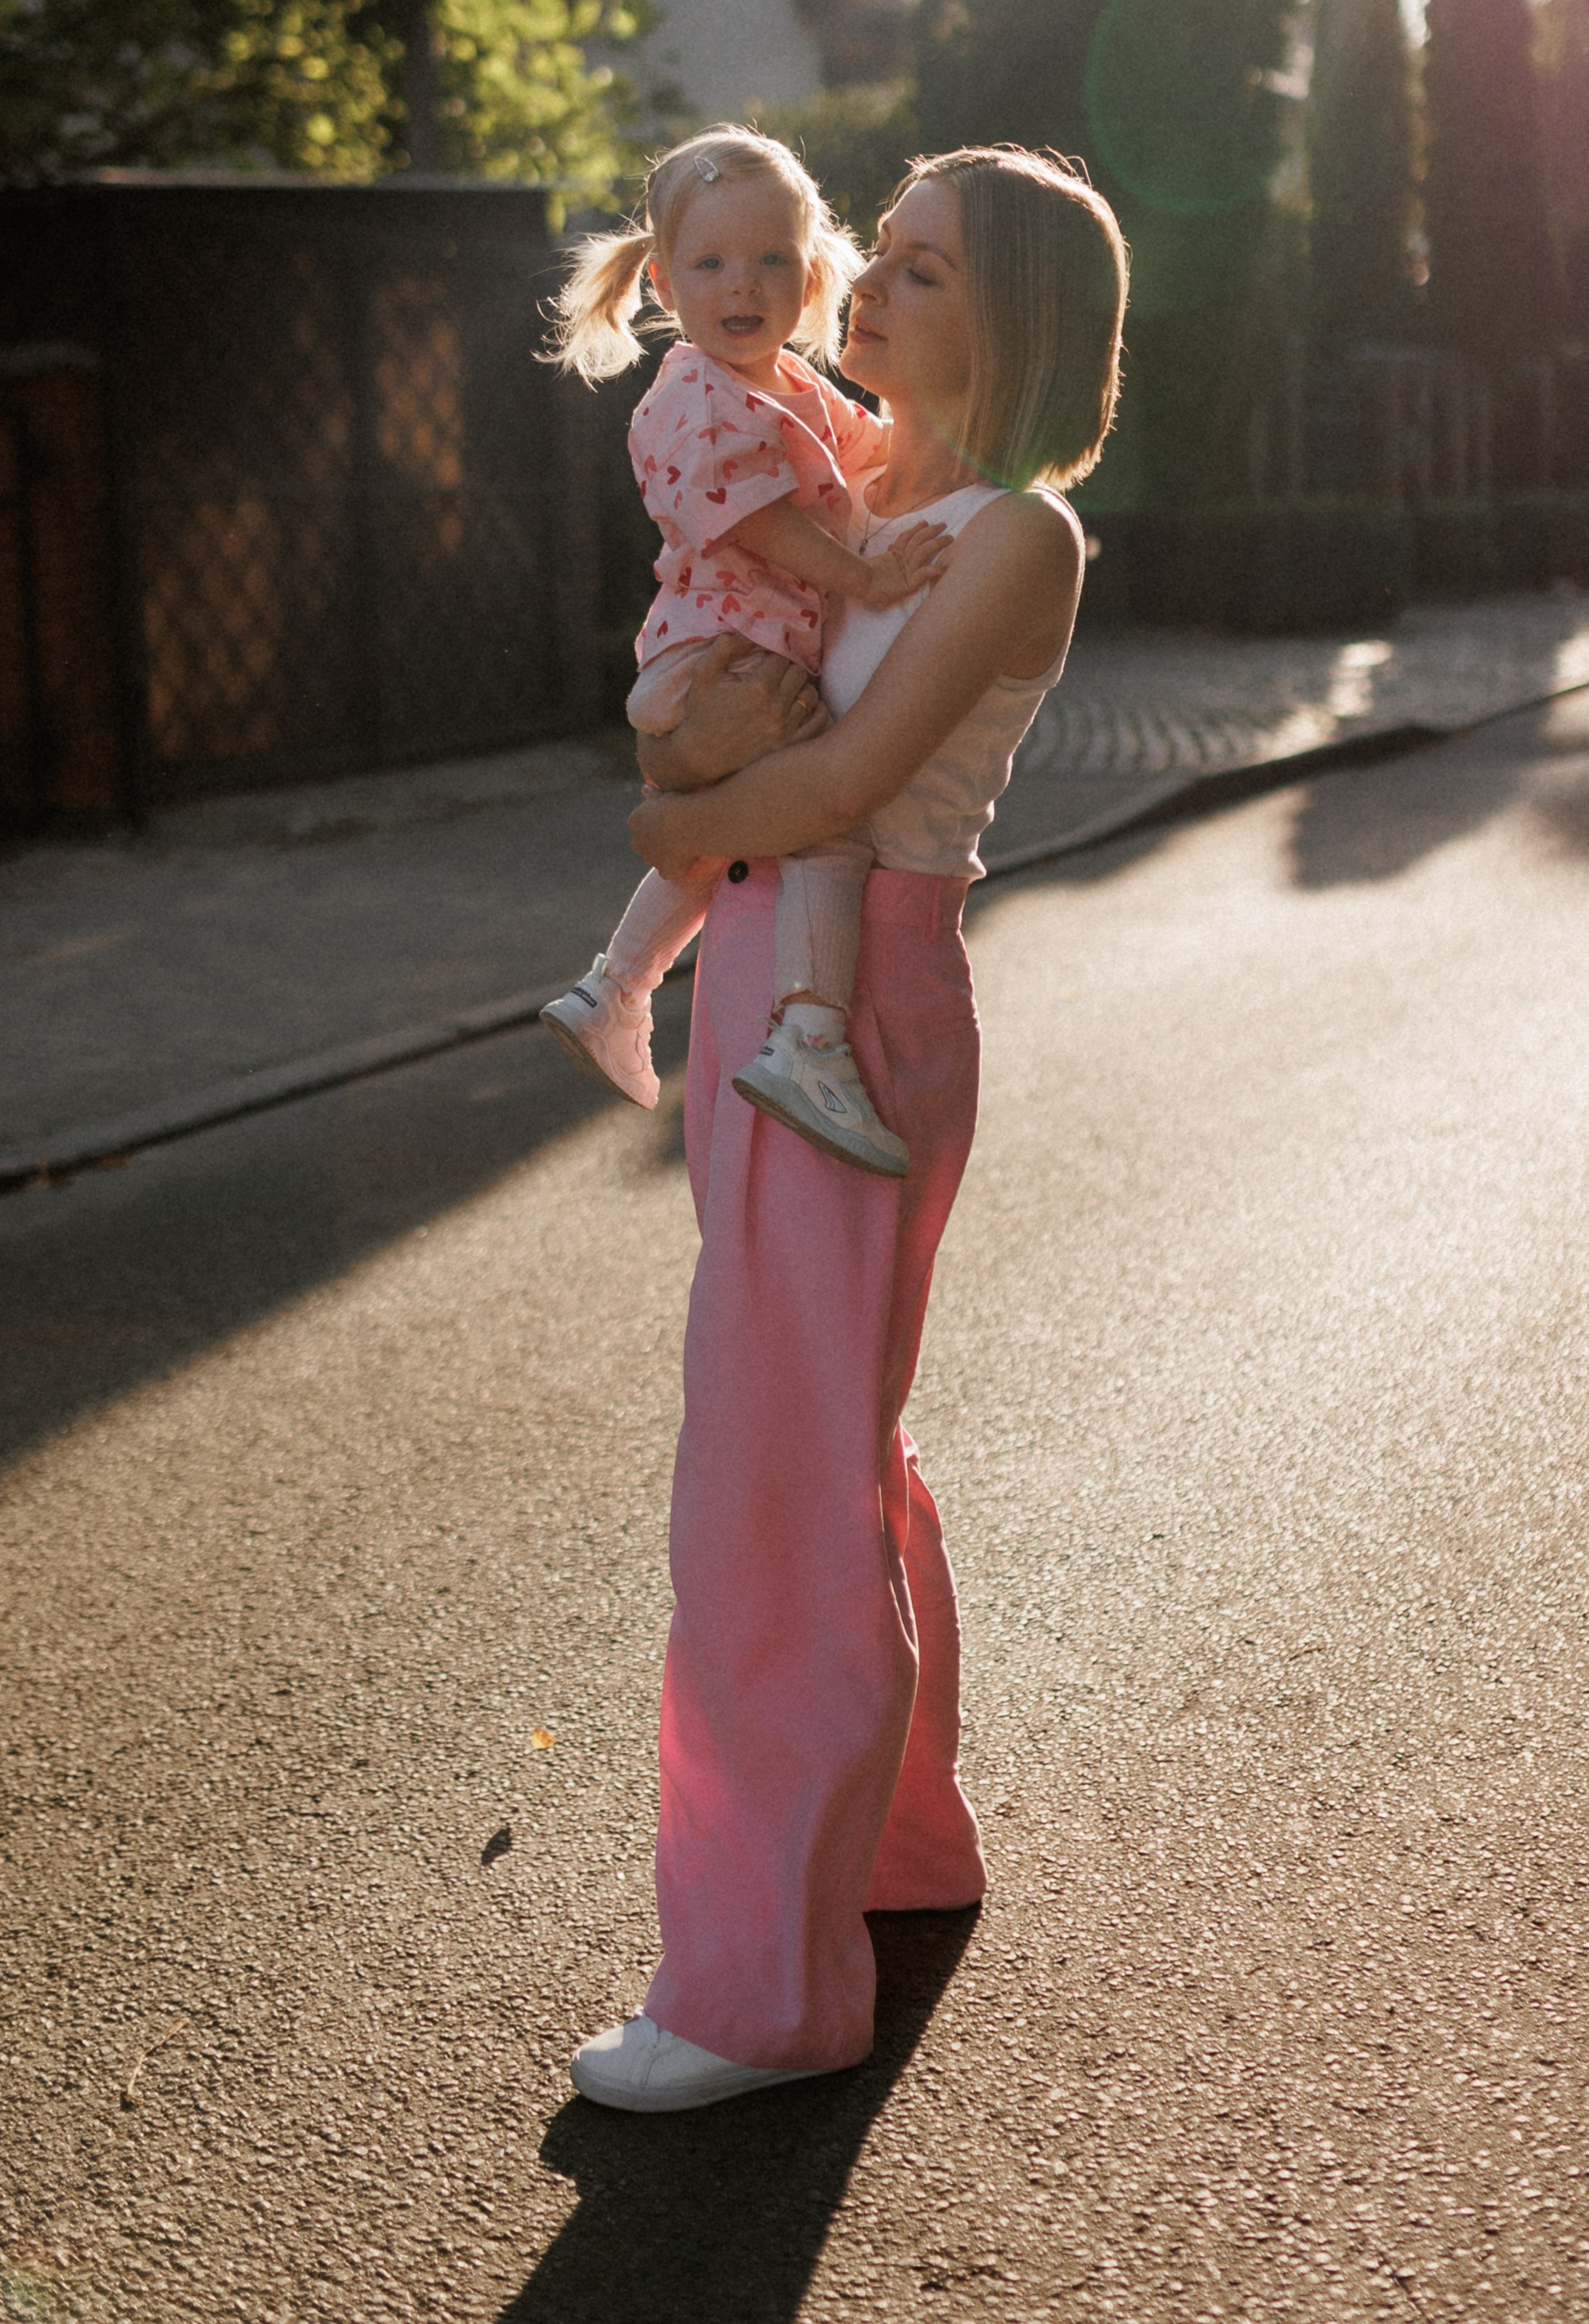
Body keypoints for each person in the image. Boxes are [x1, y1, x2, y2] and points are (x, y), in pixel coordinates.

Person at [567, 145, 1130, 2113]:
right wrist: (691, 807)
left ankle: (749, 1991)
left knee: (765, 1476)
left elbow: (837, 779)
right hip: (751, 989)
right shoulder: (833, 482)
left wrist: (663, 823)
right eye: (866, 255)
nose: (858, 289)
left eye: (913, 265)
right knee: (825, 1444)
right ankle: (888, 1859)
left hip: (857, 994)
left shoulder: (1012, 535)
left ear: (1016, 319)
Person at [540, 125, 956, 1179]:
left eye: (773, 258)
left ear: (809, 271)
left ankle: (616, 987)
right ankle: (809, 1037)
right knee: (827, 828)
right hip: (716, 656)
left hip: (737, 653)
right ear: (668, 283)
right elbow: (752, 515)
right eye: (714, 263)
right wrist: (862, 577)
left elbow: (869, 460)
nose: (745, 283)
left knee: (733, 830)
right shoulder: (690, 392)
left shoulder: (786, 386)